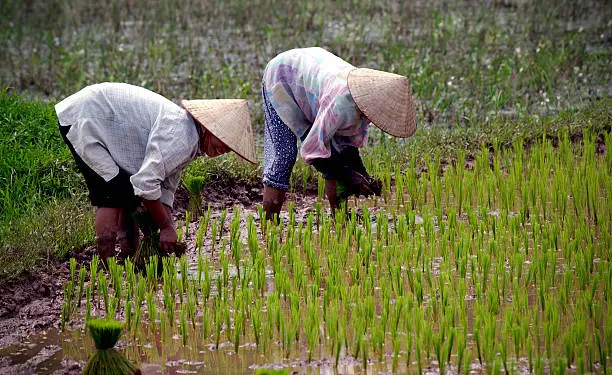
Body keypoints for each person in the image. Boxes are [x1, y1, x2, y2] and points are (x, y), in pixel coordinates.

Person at [55, 82, 256, 261]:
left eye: (229, 149)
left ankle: (129, 253)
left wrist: (161, 225)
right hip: (88, 117)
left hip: (101, 116)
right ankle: (106, 262)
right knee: (111, 193)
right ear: (211, 130)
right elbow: (146, 184)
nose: (223, 151)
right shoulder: (182, 137)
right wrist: (166, 227)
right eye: (224, 144)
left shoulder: (189, 137)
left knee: (126, 191)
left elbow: (166, 185)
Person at [261, 47, 417, 220]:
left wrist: (362, 174)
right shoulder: (341, 104)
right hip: (283, 77)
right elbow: (313, 152)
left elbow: (347, 147)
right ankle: (268, 226)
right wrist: (349, 176)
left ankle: (339, 217)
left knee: (337, 152)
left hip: (313, 83)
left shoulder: (361, 102)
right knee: (284, 155)